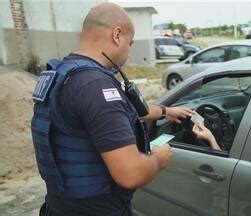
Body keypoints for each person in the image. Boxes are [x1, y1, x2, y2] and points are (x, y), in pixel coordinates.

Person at [31, 3, 193, 216]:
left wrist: (166, 111)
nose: (128, 51)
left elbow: (122, 113)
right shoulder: (96, 86)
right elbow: (131, 174)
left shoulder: (62, 74)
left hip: (60, 205)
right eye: (130, 43)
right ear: (117, 35)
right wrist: (158, 159)